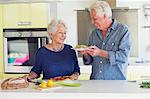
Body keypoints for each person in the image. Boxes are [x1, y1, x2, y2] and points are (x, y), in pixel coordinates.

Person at [79, 1, 131, 80]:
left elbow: (123, 57)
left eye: (95, 18)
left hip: (116, 83)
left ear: (105, 16)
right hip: (95, 82)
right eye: (91, 19)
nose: (92, 22)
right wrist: (86, 53)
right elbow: (89, 61)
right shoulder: (94, 33)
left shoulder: (123, 31)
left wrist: (100, 52)